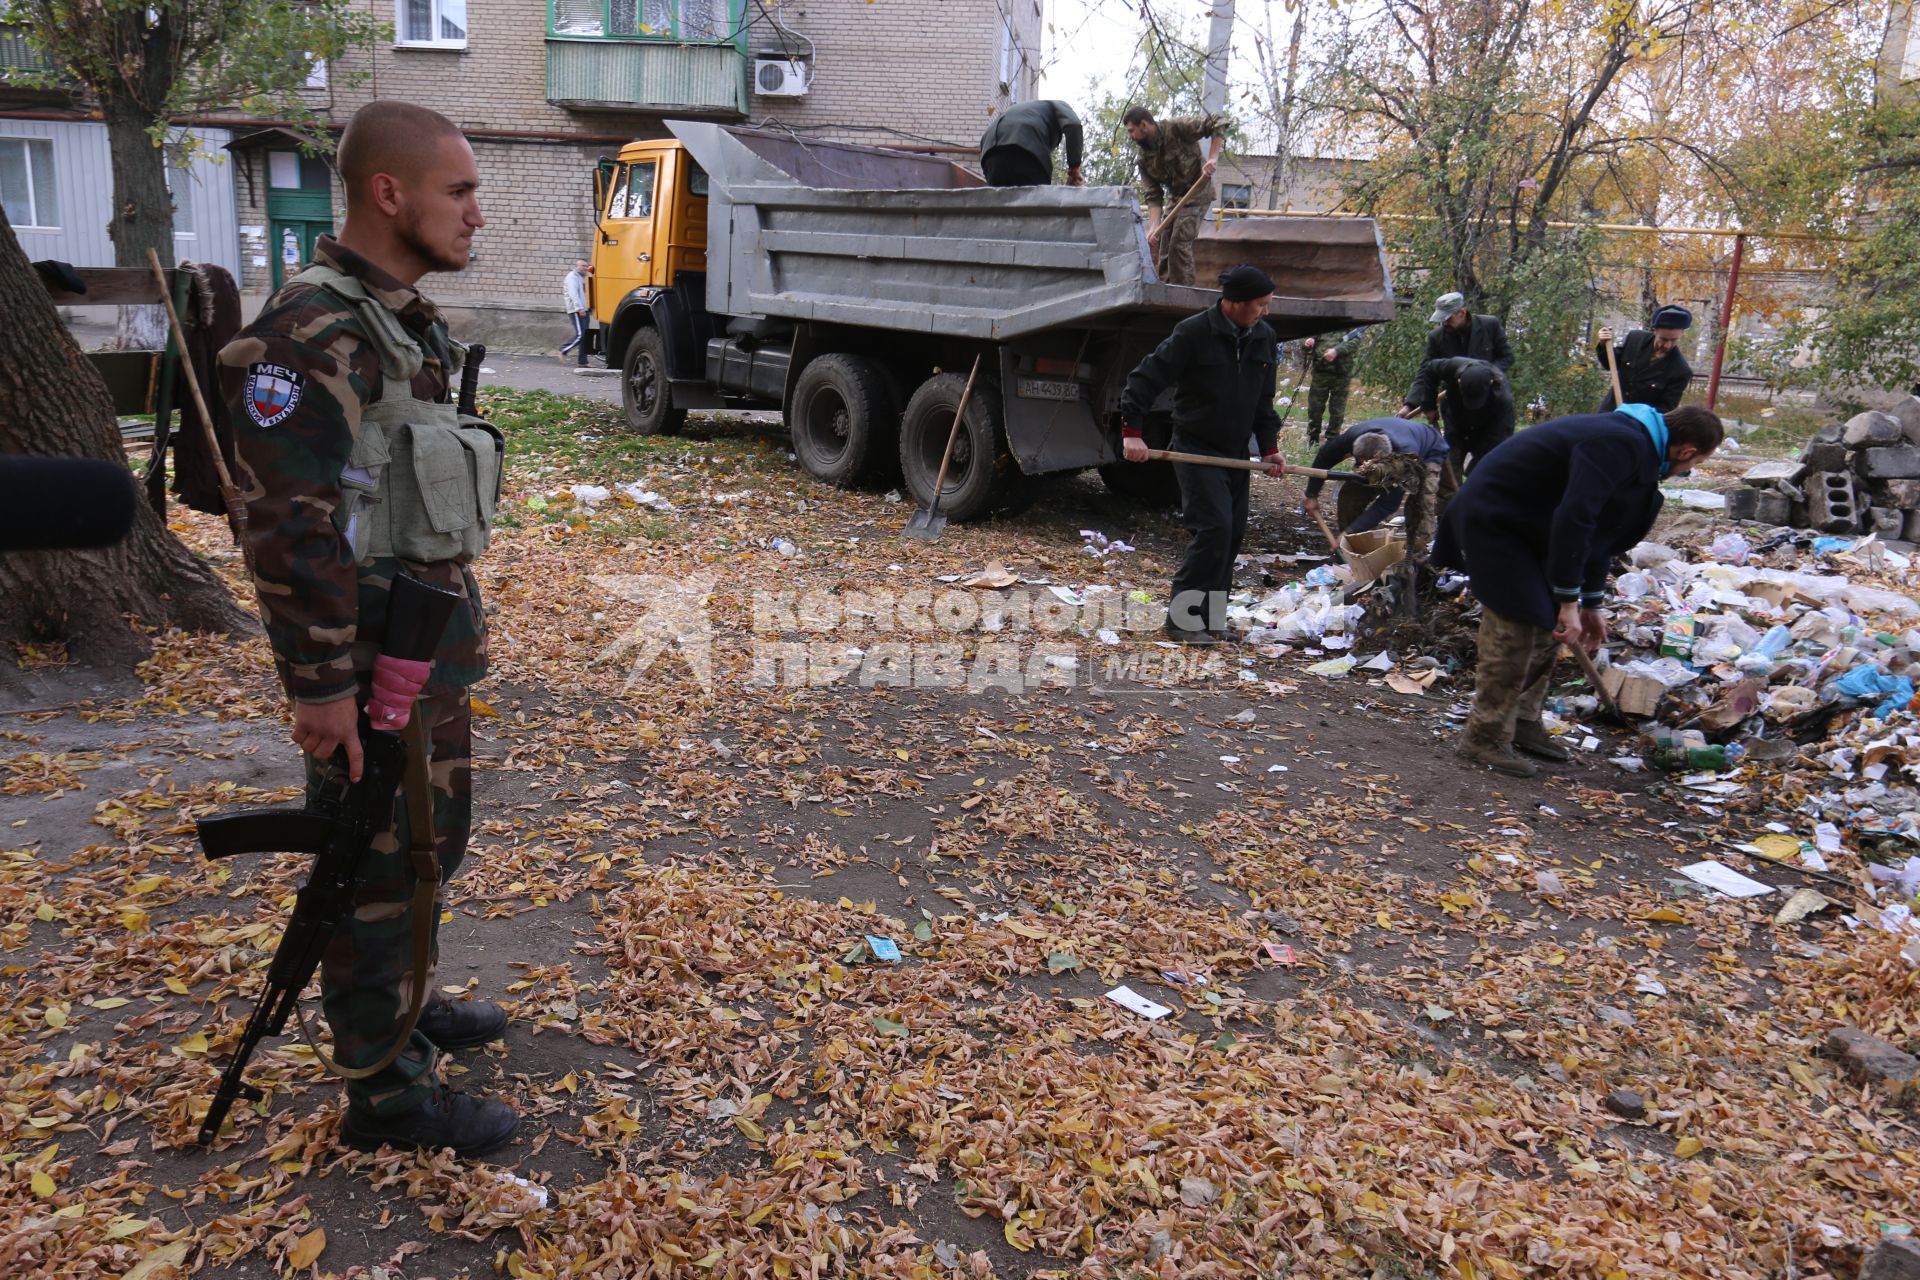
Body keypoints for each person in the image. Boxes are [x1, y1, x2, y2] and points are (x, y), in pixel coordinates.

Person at [216, 100, 518, 1159]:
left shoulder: (398, 317)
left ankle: (401, 1001)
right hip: (363, 661)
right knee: (371, 861)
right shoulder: (307, 334)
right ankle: (384, 1094)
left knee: (428, 850)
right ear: (389, 193)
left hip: (422, 644)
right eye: (462, 190)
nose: (479, 213)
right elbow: (287, 525)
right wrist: (319, 686)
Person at [1435, 402, 1724, 777]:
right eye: (1694, 464)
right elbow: (1576, 518)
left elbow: (1602, 532)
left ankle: (1522, 720)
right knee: (1517, 625)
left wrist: (1589, 604)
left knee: (1548, 627)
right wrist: (1568, 599)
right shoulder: (1618, 444)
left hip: (1530, 529)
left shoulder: (1638, 449)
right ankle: (1483, 736)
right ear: (1686, 451)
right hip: (1495, 522)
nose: (1688, 470)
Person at [1120, 265, 1286, 642]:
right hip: (1196, 447)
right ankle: (1182, 622)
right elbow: (1145, 379)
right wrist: (1133, 434)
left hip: (1235, 452)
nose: (1265, 311)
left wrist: (1270, 448)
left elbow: (1264, 401)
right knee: (1213, 529)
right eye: (1260, 304)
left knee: (1232, 534)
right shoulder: (1194, 332)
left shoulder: (1263, 337)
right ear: (1234, 303)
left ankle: (1210, 621)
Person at [1302, 417, 1451, 559]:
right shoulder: (1352, 437)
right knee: (1351, 493)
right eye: (1361, 463)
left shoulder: (1402, 458)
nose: (1363, 466)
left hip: (1429, 449)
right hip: (1398, 437)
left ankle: (1420, 553)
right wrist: (1311, 494)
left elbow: (1388, 504)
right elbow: (1324, 456)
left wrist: (1353, 529)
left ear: (1382, 458)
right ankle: (1351, 544)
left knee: (1421, 503)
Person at [1124, 106, 1225, 286]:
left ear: (1144, 125)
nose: (1130, 137)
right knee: (1164, 244)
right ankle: (1166, 290)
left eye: (1131, 131)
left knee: (1178, 244)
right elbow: (1153, 195)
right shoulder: (1143, 159)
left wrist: (1213, 158)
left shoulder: (1178, 128)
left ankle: (1183, 294)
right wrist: (1154, 226)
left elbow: (1217, 122)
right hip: (1176, 197)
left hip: (1198, 191)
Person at [1402, 290, 1514, 419]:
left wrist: (1487, 375)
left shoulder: (1489, 325)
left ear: (1462, 313)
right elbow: (1426, 372)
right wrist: (1409, 405)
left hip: (1490, 400)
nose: (1444, 323)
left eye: (1448, 318)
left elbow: (1507, 357)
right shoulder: (1436, 337)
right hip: (1454, 407)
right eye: (1441, 319)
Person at [1407, 355, 1516, 483]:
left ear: (1490, 384)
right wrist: (1429, 405)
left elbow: (1495, 443)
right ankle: (1447, 496)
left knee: (1483, 470)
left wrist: (1474, 475)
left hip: (1485, 430)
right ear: (1459, 381)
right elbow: (1430, 369)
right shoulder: (1453, 367)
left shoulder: (1503, 402)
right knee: (1449, 466)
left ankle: (1472, 492)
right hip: (1456, 419)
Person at [1596, 304, 1693, 412]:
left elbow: (1665, 409)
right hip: (1609, 412)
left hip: (1637, 424)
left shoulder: (1680, 371)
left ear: (1682, 334)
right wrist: (1603, 344)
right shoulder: (1635, 339)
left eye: (1674, 340)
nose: (1667, 345)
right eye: (1663, 339)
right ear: (1655, 330)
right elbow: (1610, 363)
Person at [979, 99, 1084, 187]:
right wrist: (1074, 169)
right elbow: (1074, 124)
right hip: (1024, 150)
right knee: (1034, 206)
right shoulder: (1058, 105)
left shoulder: (1025, 110)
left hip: (989, 155)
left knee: (1001, 208)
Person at [1301, 328, 1360, 445]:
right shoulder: (1322, 323)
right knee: (1315, 407)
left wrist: (1336, 351)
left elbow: (1354, 343)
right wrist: (1307, 342)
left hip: (1341, 373)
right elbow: (1306, 343)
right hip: (1320, 371)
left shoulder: (1352, 325)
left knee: (1337, 409)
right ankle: (1313, 437)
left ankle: (1332, 439)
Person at [560, 258, 592, 367]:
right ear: (577, 266)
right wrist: (579, 308)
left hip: (584, 309)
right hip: (576, 310)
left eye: (586, 266)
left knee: (585, 336)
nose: (585, 268)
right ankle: (563, 350)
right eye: (583, 266)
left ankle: (583, 362)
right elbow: (573, 294)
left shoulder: (580, 278)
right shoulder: (572, 277)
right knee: (580, 335)